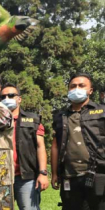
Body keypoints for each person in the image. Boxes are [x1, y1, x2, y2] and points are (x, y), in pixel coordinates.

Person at [52, 73, 105, 210]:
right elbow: (55, 146)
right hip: (69, 176)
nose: (77, 89)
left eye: (82, 86)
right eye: (73, 86)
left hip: (98, 174)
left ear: (90, 90)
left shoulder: (102, 112)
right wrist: (54, 174)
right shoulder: (60, 115)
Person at [0, 83, 48, 210]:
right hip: (1, 177)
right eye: (3, 97)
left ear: (19, 99)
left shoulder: (33, 120)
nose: (6, 99)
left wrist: (43, 173)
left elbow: (40, 146)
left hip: (26, 177)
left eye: (11, 95)